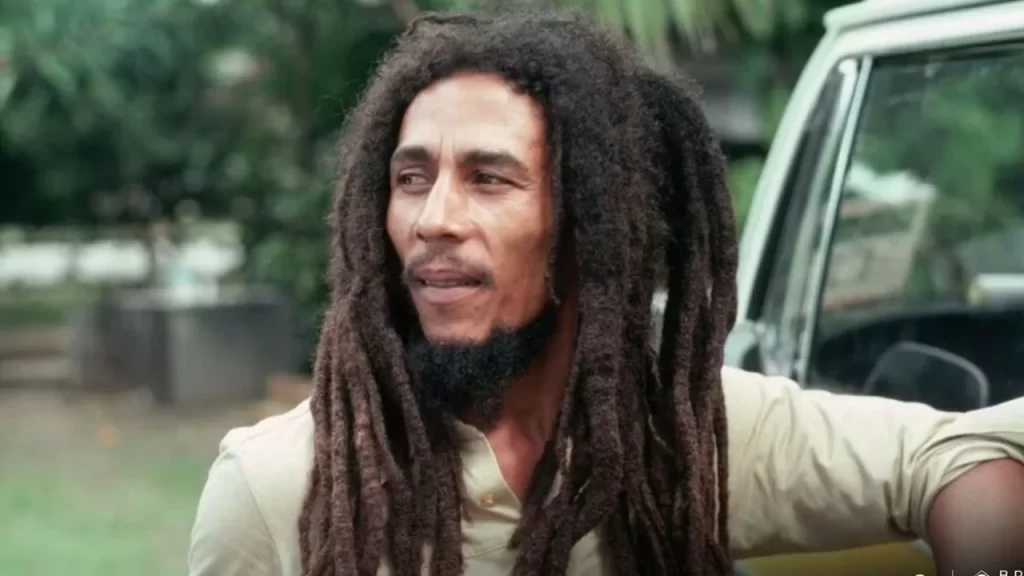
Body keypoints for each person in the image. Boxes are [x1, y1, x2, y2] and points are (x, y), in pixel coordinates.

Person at [188, 10, 1024, 576]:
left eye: (488, 178)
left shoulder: (682, 437)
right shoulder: (277, 486)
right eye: (411, 178)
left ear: (590, 227)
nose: (432, 218)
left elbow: (959, 454)